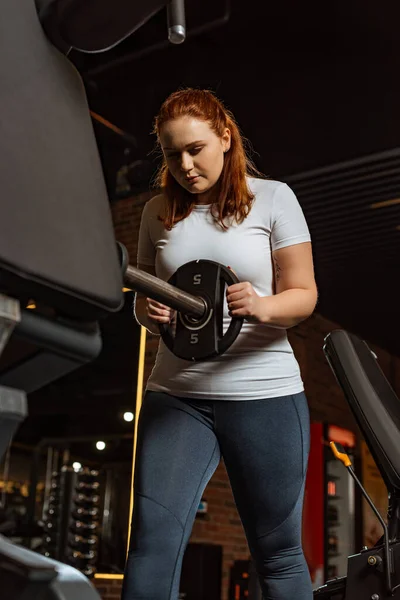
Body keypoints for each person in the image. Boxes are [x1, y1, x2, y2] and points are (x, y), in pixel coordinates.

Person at [121, 88, 318, 600]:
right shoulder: (156, 212)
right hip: (177, 394)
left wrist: (262, 304)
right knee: (151, 545)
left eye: (196, 149)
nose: (185, 165)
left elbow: (303, 294)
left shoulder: (273, 198)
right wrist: (151, 312)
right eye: (171, 153)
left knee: (278, 554)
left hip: (265, 395)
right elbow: (144, 299)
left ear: (225, 138)